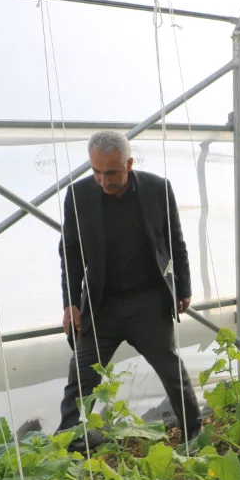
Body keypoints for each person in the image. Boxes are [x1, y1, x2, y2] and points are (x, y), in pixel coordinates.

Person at [58, 130, 202, 447]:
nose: (103, 180)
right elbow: (70, 251)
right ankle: (67, 444)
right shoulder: (78, 195)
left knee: (170, 369)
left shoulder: (157, 189)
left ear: (129, 164)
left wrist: (183, 287)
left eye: (111, 172)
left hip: (148, 301)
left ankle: (194, 433)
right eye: (96, 171)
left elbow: (176, 242)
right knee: (82, 377)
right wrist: (70, 303)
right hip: (102, 304)